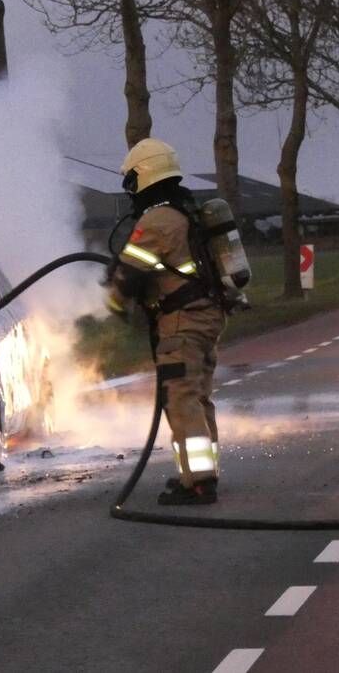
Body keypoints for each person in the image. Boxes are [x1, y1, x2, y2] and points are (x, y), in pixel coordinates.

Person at [105, 138, 225, 505]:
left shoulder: (157, 220)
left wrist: (114, 301)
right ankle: (200, 472)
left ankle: (199, 482)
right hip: (207, 316)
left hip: (181, 323)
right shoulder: (187, 210)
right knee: (199, 397)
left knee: (181, 399)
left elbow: (130, 274)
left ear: (143, 176)